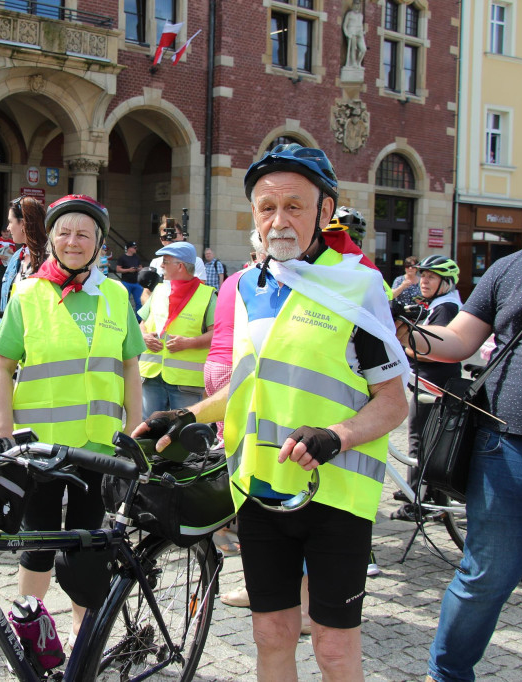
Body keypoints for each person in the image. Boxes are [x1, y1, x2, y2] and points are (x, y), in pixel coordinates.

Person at [135, 143, 408, 681]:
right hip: (260, 492)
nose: (278, 220)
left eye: (294, 206)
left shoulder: (357, 285)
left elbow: (394, 402)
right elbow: (247, 389)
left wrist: (336, 435)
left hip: (335, 497)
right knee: (271, 636)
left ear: (324, 211)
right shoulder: (248, 287)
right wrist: (189, 416)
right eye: (267, 207)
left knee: (333, 648)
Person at [410, 141, 522, 682]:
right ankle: (445, 676)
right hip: (508, 454)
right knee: (482, 581)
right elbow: (458, 341)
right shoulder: (510, 267)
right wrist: (398, 335)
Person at [0, 194, 144, 647]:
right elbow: (2, 365)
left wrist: (134, 429)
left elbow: (131, 366)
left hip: (98, 448)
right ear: (51, 238)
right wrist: (2, 432)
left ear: (99, 244)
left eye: (84, 234)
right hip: (40, 448)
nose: (73, 242)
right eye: (64, 233)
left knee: (88, 546)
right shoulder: (28, 293)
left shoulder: (116, 294)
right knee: (36, 545)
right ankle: (30, 632)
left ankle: (83, 634)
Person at [390, 255, 462, 522]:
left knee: (419, 443)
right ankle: (427, 496)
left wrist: (406, 346)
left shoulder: (446, 308)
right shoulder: (438, 304)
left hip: (434, 385)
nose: (424, 281)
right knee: (428, 443)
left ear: (447, 282)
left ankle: (416, 504)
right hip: (429, 383)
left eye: (431, 277)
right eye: (423, 276)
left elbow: (434, 350)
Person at [138, 241, 216, 417]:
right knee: (148, 428)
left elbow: (217, 334)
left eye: (165, 261)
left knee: (183, 430)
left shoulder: (208, 296)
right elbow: (142, 324)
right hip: (151, 376)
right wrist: (143, 336)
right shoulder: (158, 290)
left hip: (185, 383)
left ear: (180, 266)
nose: (161, 265)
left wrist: (189, 343)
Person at [0, 196, 47, 342]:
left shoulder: (51, 260)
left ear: (23, 224)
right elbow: (10, 306)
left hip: (40, 342)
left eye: (10, 222)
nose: (8, 228)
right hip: (14, 342)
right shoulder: (16, 258)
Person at [115, 241, 143, 310]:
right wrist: (129, 270)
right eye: (134, 248)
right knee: (125, 301)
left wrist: (138, 269)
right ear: (129, 248)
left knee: (139, 302)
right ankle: (125, 315)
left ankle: (138, 316)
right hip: (126, 282)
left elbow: (141, 267)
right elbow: (118, 269)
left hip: (136, 282)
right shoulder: (122, 258)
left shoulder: (137, 257)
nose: (136, 249)